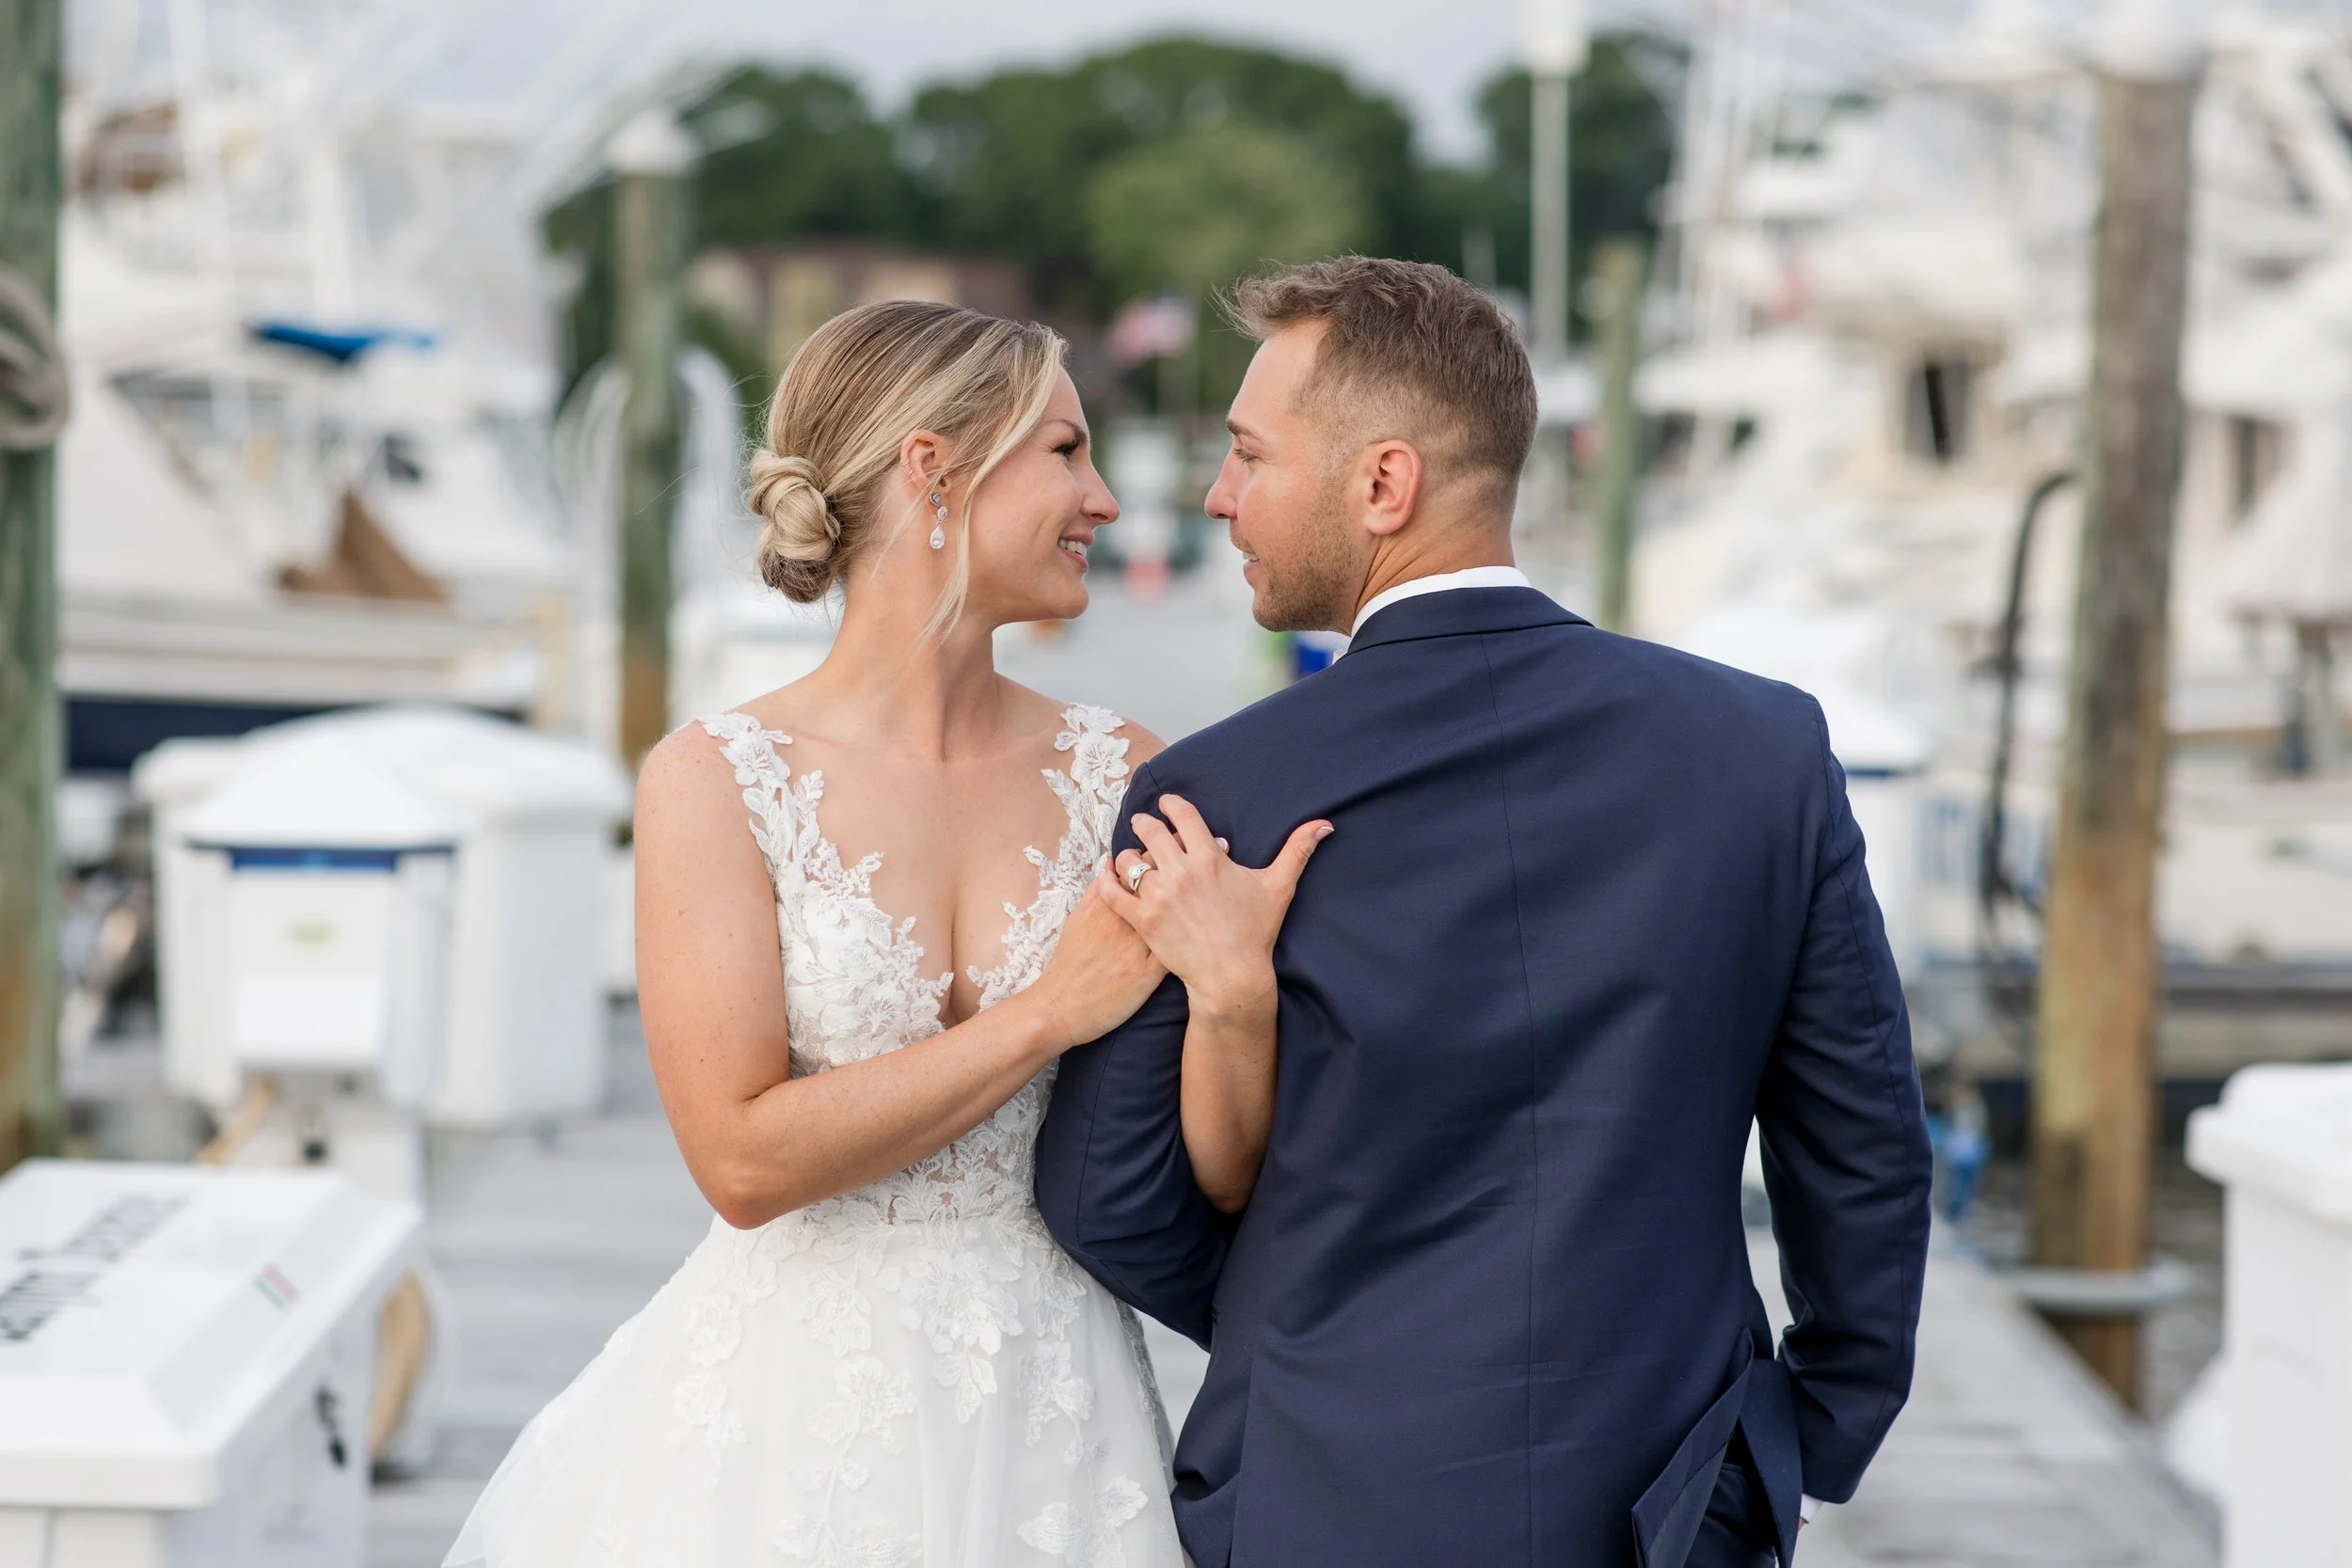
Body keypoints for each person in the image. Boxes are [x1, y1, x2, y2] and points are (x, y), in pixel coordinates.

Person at [1035, 258, 1934, 1568]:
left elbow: (1111, 1193)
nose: (1220, 496)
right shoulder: (1763, 749)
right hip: (1676, 1496)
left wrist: (1309, 1340)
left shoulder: (1214, 796)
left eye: (1247, 454)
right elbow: (1862, 1147)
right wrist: (1809, 1434)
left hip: (1320, 1491)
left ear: (1384, 485)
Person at [447, 299, 1327, 1568]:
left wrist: (1237, 995)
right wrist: (1044, 1013)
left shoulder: (1121, 771)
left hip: (1056, 1410)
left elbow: (1218, 1172)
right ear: (935, 468)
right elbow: (742, 1162)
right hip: (791, 1416)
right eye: (1066, 454)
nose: (1107, 503)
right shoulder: (716, 781)